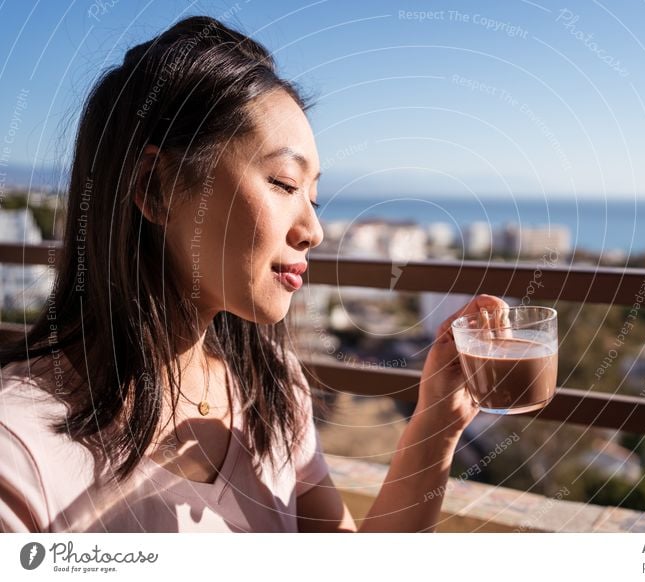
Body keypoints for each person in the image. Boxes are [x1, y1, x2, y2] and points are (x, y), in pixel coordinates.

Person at [0, 16, 509, 533]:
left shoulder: (274, 390)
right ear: (155, 187)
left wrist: (438, 423)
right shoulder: (19, 452)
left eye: (313, 197)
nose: (313, 230)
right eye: (285, 184)